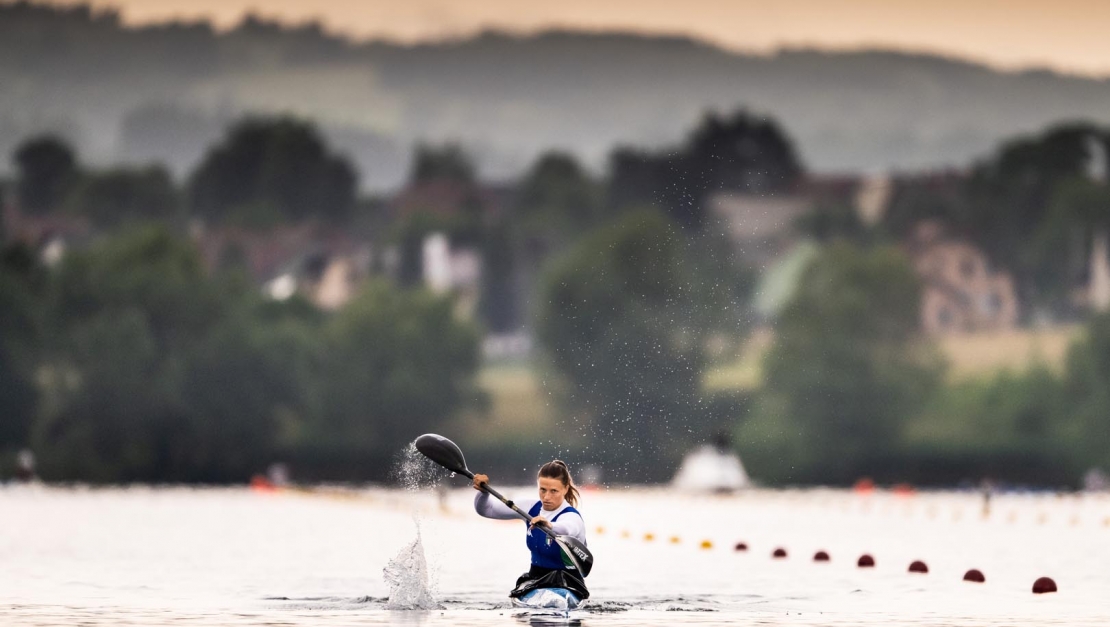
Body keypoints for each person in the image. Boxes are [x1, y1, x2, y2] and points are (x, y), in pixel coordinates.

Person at [472, 460, 589, 600]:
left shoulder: (571, 516)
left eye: (554, 491)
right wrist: (483, 492)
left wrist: (550, 525)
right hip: (535, 579)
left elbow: (569, 529)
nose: (546, 497)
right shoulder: (529, 508)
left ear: (565, 488)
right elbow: (486, 510)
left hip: (567, 583)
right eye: (542, 489)